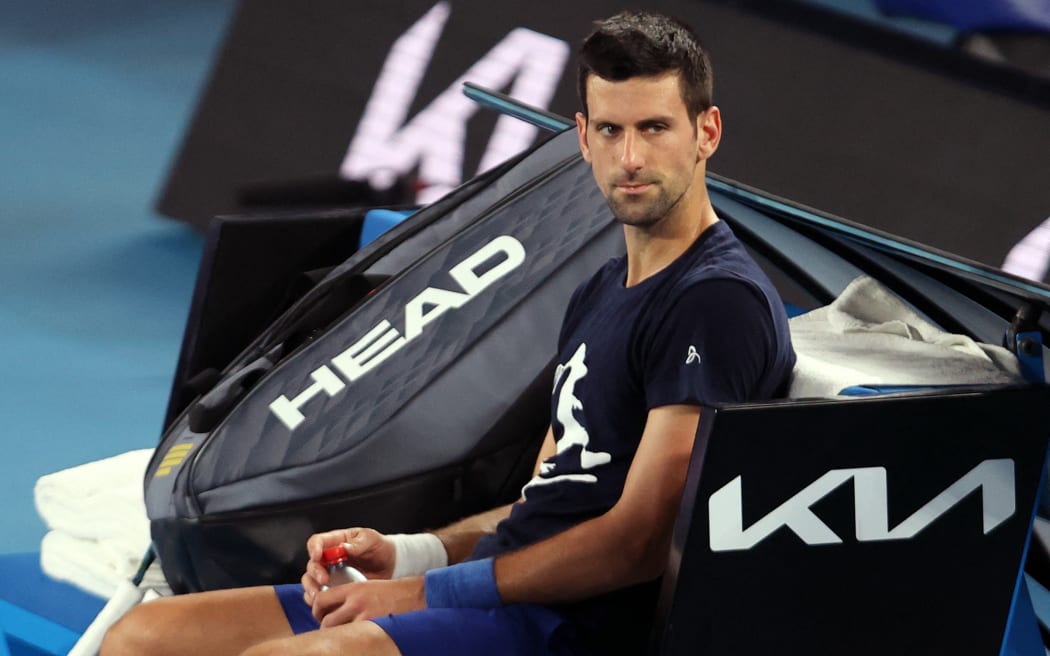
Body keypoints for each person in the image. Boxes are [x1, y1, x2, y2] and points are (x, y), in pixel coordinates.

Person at [101, 10, 796, 656]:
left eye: (655, 128)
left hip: (567, 628)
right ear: (583, 139)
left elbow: (638, 543)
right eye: (611, 132)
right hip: (494, 598)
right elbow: (543, 501)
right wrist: (409, 555)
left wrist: (420, 593)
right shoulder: (599, 288)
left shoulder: (715, 303)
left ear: (706, 132)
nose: (631, 159)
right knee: (148, 636)